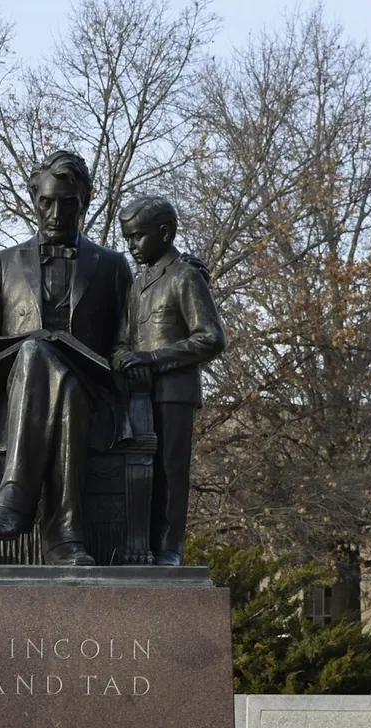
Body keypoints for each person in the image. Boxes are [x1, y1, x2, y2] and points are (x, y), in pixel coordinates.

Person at [0, 150, 134, 566]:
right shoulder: (4, 264)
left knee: (66, 378)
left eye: (68, 203)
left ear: (86, 201)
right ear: (34, 199)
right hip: (18, 388)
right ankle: (65, 537)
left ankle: (15, 502)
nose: (56, 213)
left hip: (95, 389)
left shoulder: (112, 266)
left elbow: (128, 339)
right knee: (43, 358)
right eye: (46, 202)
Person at [114, 194, 226, 565]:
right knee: (139, 471)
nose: (131, 247)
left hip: (174, 393)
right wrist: (124, 358)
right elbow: (123, 340)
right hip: (138, 395)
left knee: (169, 471)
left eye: (138, 237)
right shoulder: (138, 285)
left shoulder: (185, 276)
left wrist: (152, 359)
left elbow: (211, 337)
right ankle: (139, 543)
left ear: (164, 233)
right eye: (127, 238)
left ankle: (169, 548)